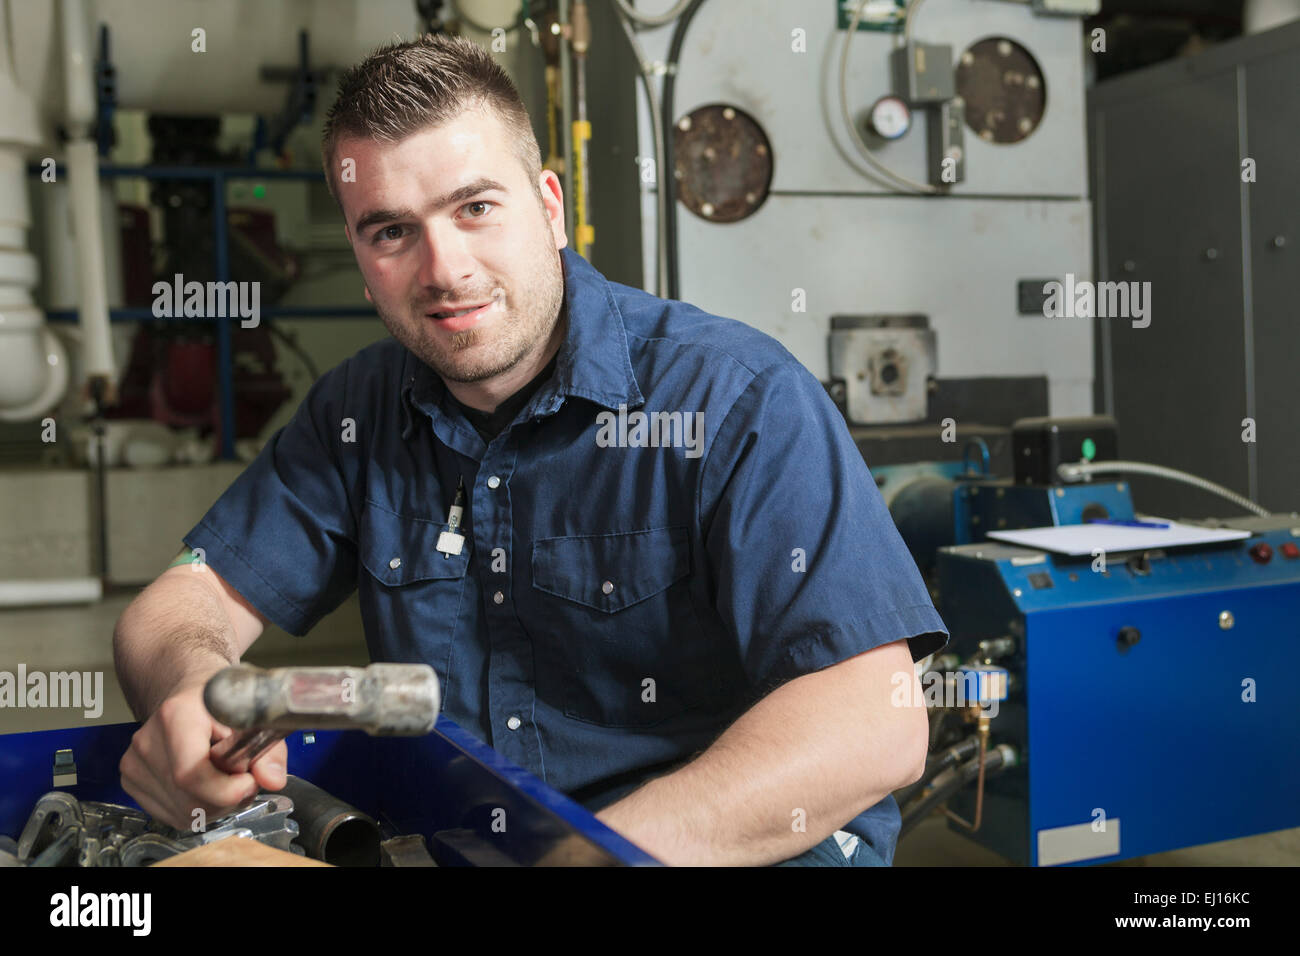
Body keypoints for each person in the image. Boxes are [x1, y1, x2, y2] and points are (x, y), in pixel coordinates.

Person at [114, 34, 947, 866]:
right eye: (393, 231)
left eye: (475, 208)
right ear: (361, 262)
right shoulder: (358, 412)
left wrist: (595, 853)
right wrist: (192, 689)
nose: (445, 269)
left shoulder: (735, 398)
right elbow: (177, 606)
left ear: (549, 207)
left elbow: (875, 721)